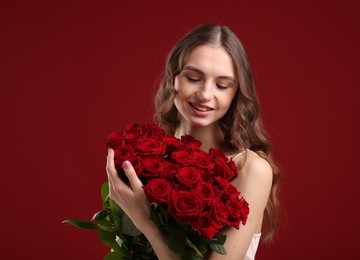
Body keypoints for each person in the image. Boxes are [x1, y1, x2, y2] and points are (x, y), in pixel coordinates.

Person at [106, 23, 280, 259]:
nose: (206, 94)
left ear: (237, 92)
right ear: (173, 78)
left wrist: (145, 220)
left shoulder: (251, 170)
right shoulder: (144, 156)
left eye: (222, 85)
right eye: (194, 78)